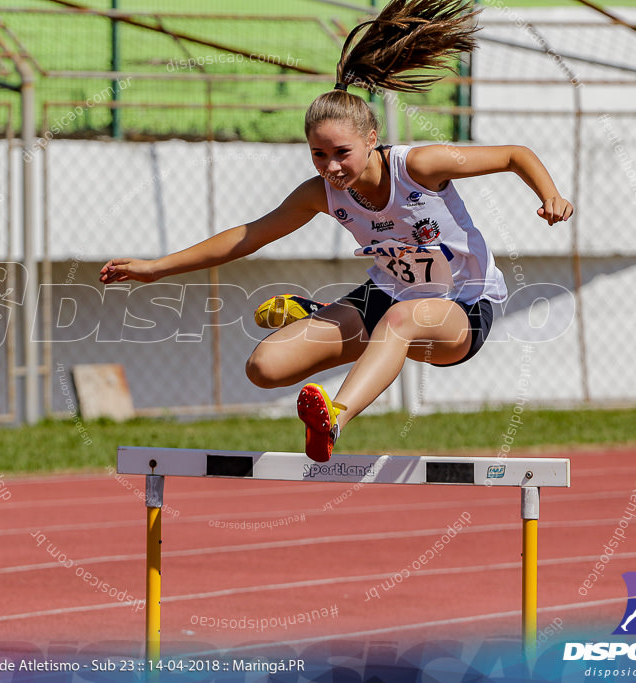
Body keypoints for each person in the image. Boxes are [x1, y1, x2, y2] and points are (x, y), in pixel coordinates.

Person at [100, 0, 573, 462]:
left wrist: (549, 195)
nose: (331, 167)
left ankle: (335, 419)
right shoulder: (321, 193)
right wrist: (155, 268)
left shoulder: (421, 166)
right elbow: (249, 235)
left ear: (371, 139)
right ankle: (319, 313)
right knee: (264, 368)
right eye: (318, 155)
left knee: (402, 321)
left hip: (463, 305)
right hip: (387, 294)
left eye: (342, 152)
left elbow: (515, 154)